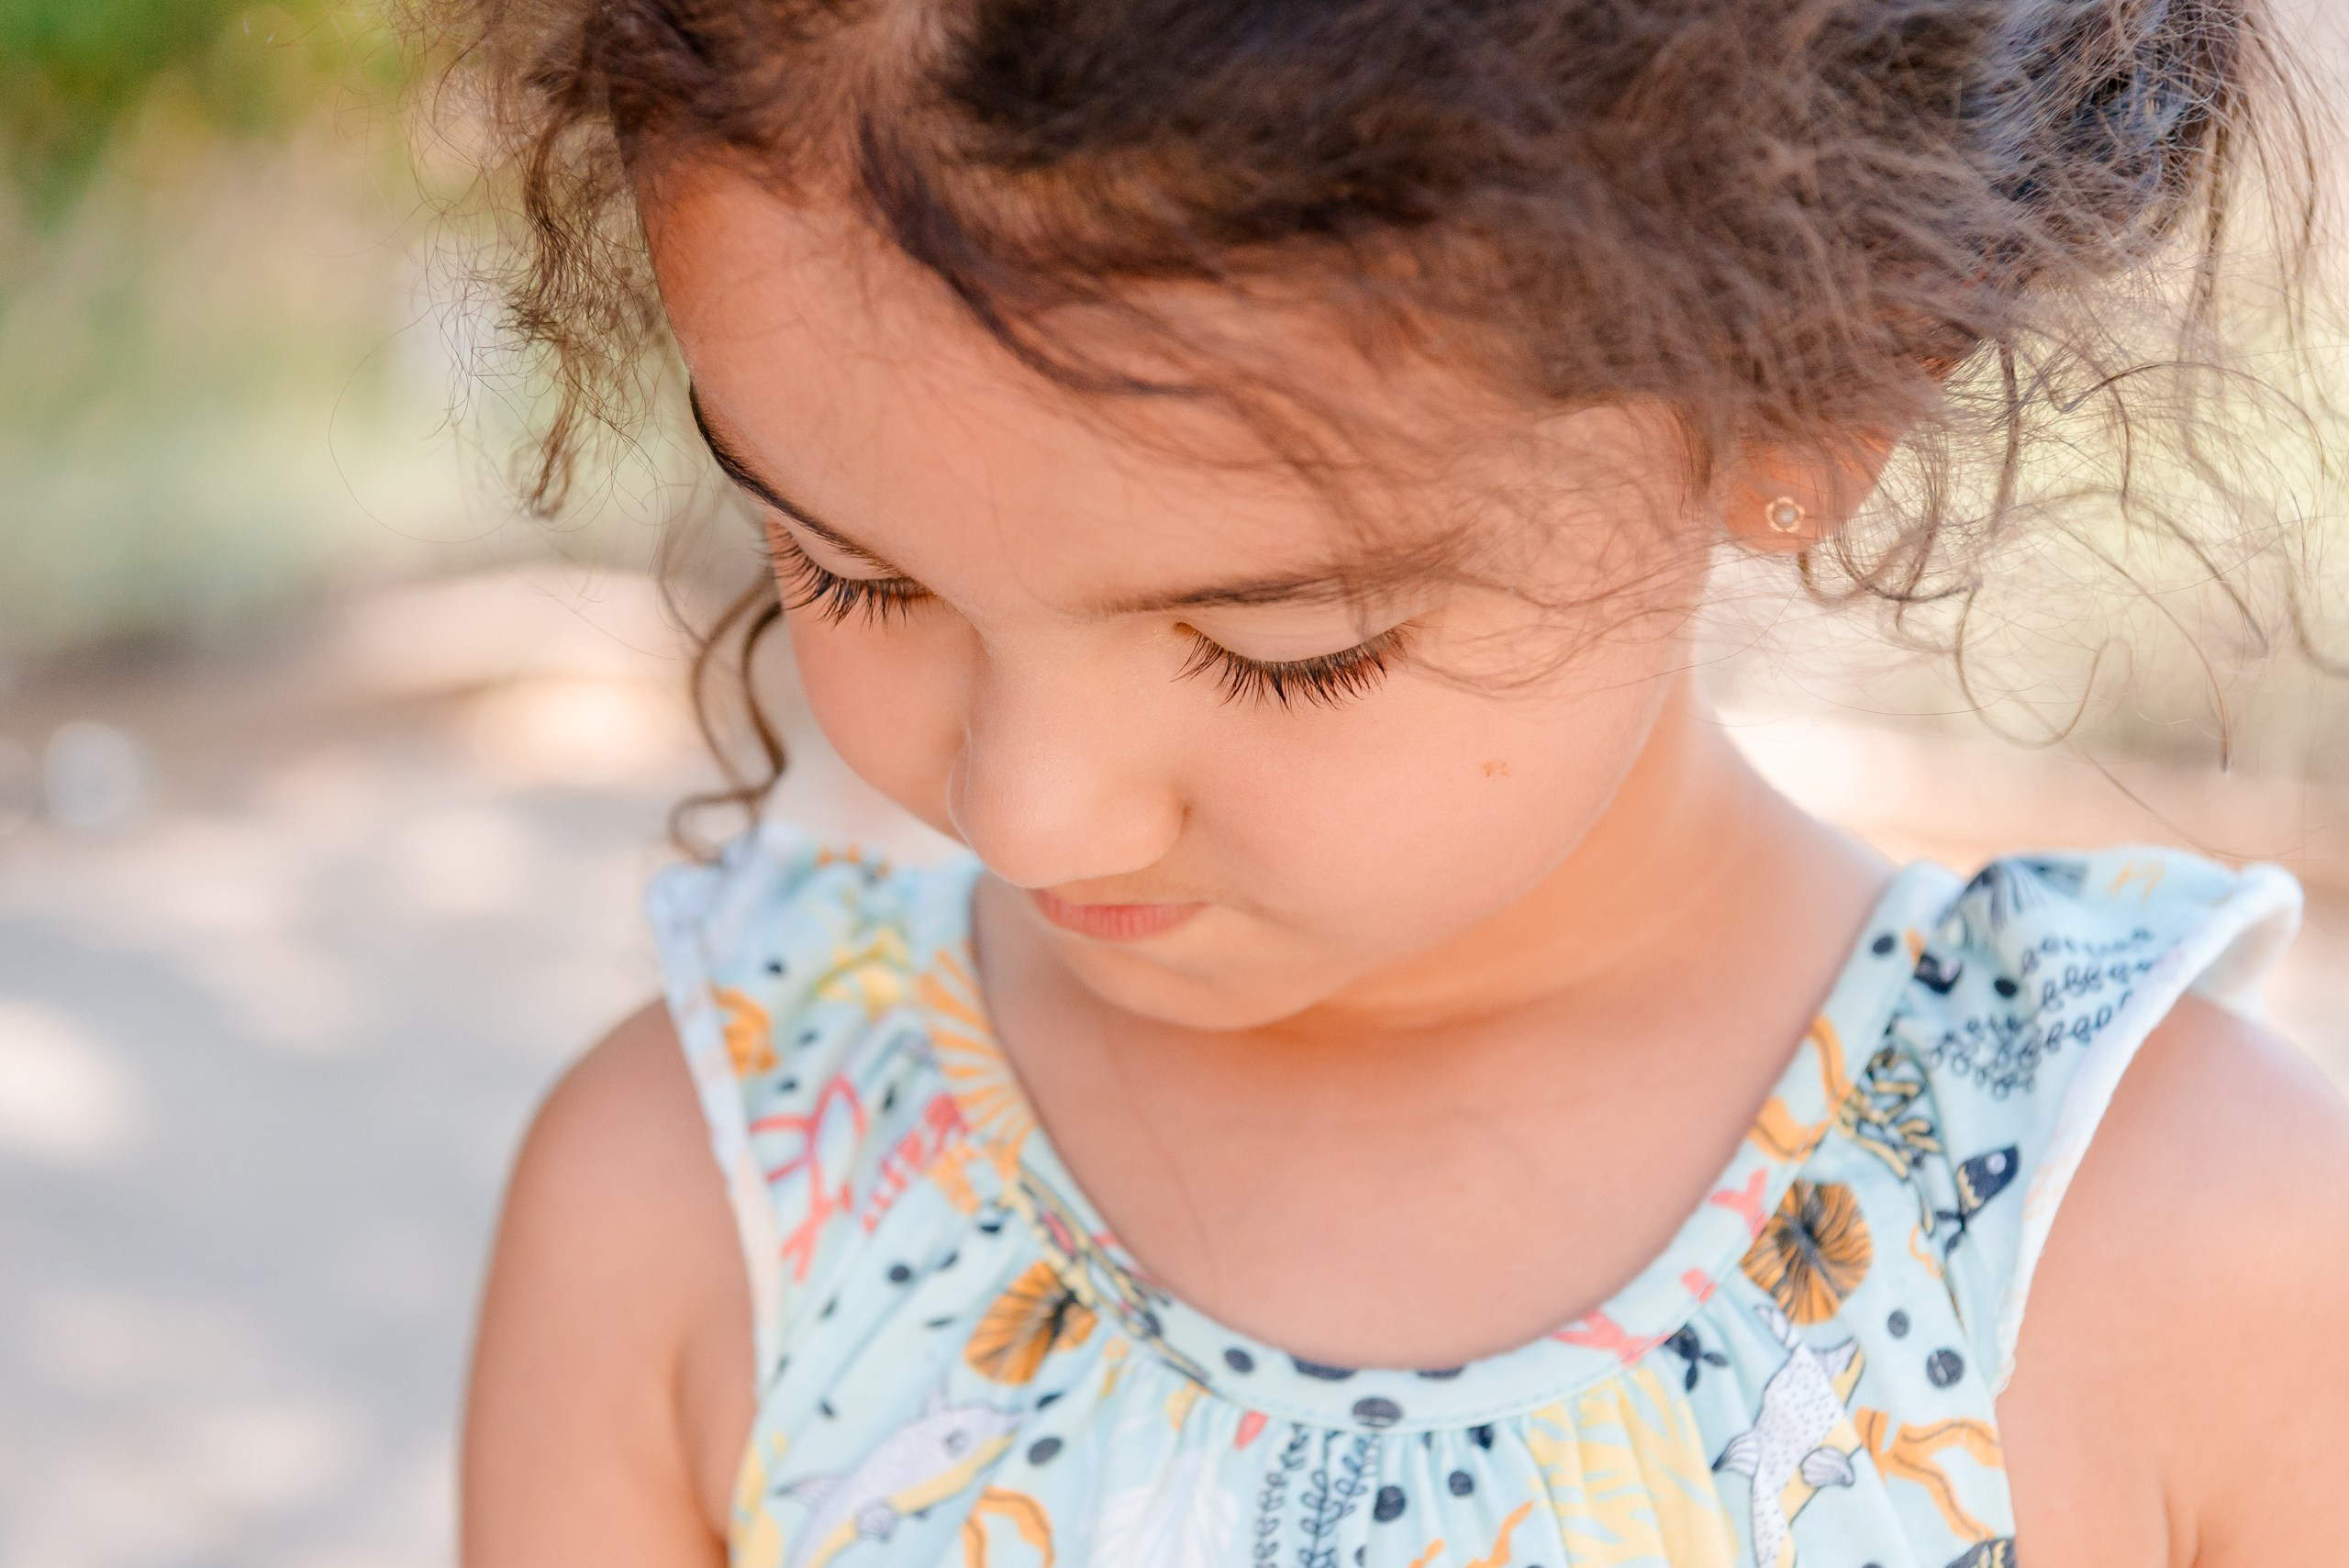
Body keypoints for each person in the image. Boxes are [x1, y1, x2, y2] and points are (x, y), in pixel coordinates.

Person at [443, 1, 2349, 1563]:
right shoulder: (697, 1211)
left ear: (1807, 392)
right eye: (851, 571)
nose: (1030, 813)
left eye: (1282, 646)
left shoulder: (2177, 1264)